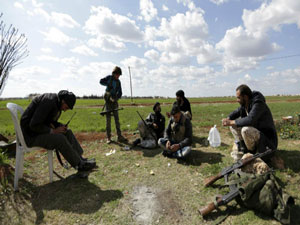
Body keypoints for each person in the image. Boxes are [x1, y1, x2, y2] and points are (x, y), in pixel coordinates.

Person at [20, 90, 96, 172]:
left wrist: (60, 126)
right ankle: (79, 165)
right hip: (30, 136)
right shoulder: (48, 102)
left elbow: (48, 121)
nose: (65, 110)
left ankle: (81, 159)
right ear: (63, 101)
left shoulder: (56, 103)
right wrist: (53, 131)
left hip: (36, 133)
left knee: (67, 132)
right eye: (66, 107)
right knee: (59, 138)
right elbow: (34, 125)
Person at [222, 84, 277, 161]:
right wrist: (228, 118)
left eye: (238, 98)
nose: (237, 100)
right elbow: (237, 111)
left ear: (245, 97)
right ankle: (245, 150)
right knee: (233, 126)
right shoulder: (246, 103)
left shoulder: (258, 103)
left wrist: (231, 122)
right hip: (257, 133)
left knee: (246, 130)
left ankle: (252, 153)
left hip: (267, 140)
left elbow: (250, 119)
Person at [100, 66, 127, 143]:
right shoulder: (109, 78)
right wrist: (107, 83)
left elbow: (120, 93)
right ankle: (108, 137)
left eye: (119, 75)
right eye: (117, 75)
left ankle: (119, 136)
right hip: (108, 100)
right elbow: (101, 81)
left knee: (117, 119)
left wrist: (116, 98)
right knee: (108, 120)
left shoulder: (118, 82)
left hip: (114, 101)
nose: (118, 76)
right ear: (114, 73)